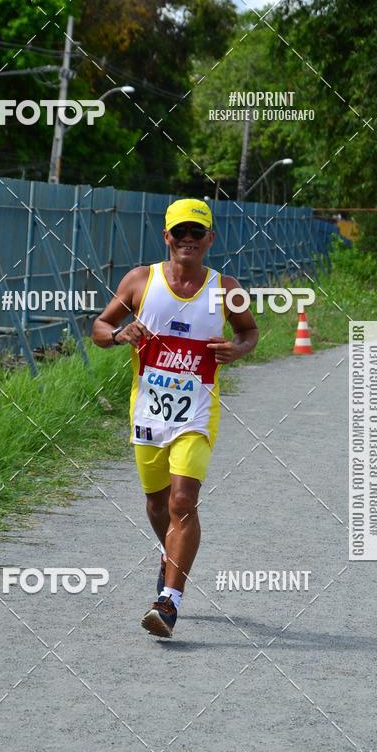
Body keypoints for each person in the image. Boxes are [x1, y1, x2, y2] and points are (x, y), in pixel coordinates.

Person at [92, 198, 258, 637]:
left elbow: (250, 330)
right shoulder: (139, 281)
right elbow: (99, 328)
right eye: (179, 232)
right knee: (156, 503)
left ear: (210, 239)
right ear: (166, 236)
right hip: (148, 410)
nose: (188, 240)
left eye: (196, 233)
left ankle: (168, 602)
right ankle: (169, 556)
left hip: (197, 412)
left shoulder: (226, 287)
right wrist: (119, 333)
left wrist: (237, 350)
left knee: (182, 501)